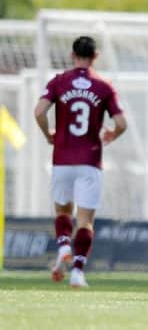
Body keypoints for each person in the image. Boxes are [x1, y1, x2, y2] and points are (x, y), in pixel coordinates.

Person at [34, 36, 127, 288]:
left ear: (72, 54)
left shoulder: (59, 81)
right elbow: (121, 124)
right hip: (90, 160)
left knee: (63, 211)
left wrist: (47, 134)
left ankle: (64, 245)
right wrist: (113, 134)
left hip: (62, 158)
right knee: (85, 220)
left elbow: (39, 111)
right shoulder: (104, 86)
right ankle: (77, 272)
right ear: (95, 56)